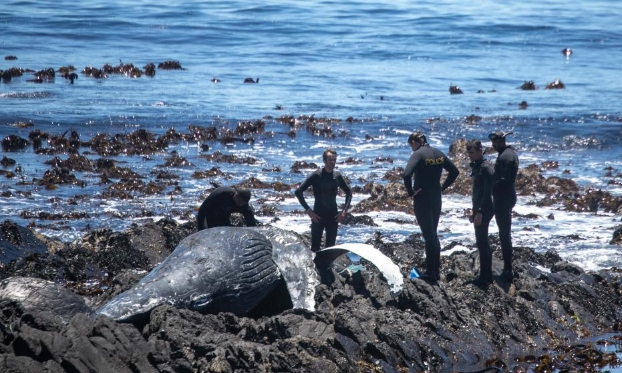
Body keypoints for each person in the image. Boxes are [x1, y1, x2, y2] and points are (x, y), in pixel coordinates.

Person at [403, 132, 459, 282]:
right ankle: (435, 271)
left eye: (411, 145)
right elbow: (454, 171)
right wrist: (442, 187)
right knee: (433, 233)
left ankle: (429, 273)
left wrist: (410, 193)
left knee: (428, 235)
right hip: (436, 197)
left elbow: (406, 174)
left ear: (415, 142)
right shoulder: (438, 153)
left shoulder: (419, 154)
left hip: (422, 198)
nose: (412, 149)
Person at [295, 148, 352, 252]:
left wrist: (344, 212)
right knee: (315, 248)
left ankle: (327, 268)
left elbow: (349, 192)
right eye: (330, 160)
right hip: (318, 217)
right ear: (324, 161)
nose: (333, 162)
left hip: (333, 217)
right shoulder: (316, 175)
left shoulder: (337, 176)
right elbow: (298, 192)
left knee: (330, 249)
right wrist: (308, 211)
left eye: (334, 160)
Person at [488, 131, 519, 281]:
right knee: (504, 233)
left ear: (502, 141)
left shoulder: (506, 156)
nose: (494, 145)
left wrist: (489, 187)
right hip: (506, 196)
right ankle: (508, 267)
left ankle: (508, 269)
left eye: (496, 142)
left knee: (504, 234)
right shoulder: (506, 153)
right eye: (493, 142)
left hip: (504, 198)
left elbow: (504, 180)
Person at [466, 139, 495, 287]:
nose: (470, 156)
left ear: (480, 150)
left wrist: (480, 212)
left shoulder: (486, 168)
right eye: (468, 153)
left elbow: (487, 193)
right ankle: (487, 275)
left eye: (472, 153)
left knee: (482, 242)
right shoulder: (478, 166)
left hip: (486, 209)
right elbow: (477, 192)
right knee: (481, 241)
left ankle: (485, 277)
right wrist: (473, 209)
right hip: (479, 207)